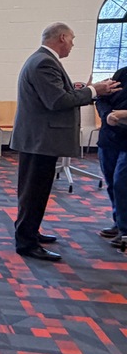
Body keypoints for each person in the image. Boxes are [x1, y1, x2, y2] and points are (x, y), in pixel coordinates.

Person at [11, 22, 120, 262]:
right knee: (34, 192)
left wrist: (78, 88)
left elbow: (56, 93)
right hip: (40, 140)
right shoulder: (44, 62)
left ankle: (30, 231)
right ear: (61, 37)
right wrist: (94, 91)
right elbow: (57, 101)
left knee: (34, 191)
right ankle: (26, 242)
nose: (72, 45)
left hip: (39, 139)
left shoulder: (42, 60)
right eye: (71, 40)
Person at [95, 65, 127, 247]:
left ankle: (125, 231)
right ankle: (120, 222)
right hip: (110, 137)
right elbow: (102, 98)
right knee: (112, 184)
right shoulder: (122, 74)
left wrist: (124, 114)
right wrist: (107, 115)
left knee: (121, 182)